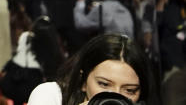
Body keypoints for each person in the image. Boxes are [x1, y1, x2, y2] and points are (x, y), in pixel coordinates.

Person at [25, 33, 156, 105]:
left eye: (129, 90)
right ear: (83, 81)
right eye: (104, 84)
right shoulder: (50, 95)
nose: (116, 96)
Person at [1, 17, 65, 105]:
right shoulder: (48, 41)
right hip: (33, 78)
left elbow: (19, 52)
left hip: (15, 75)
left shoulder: (25, 36)